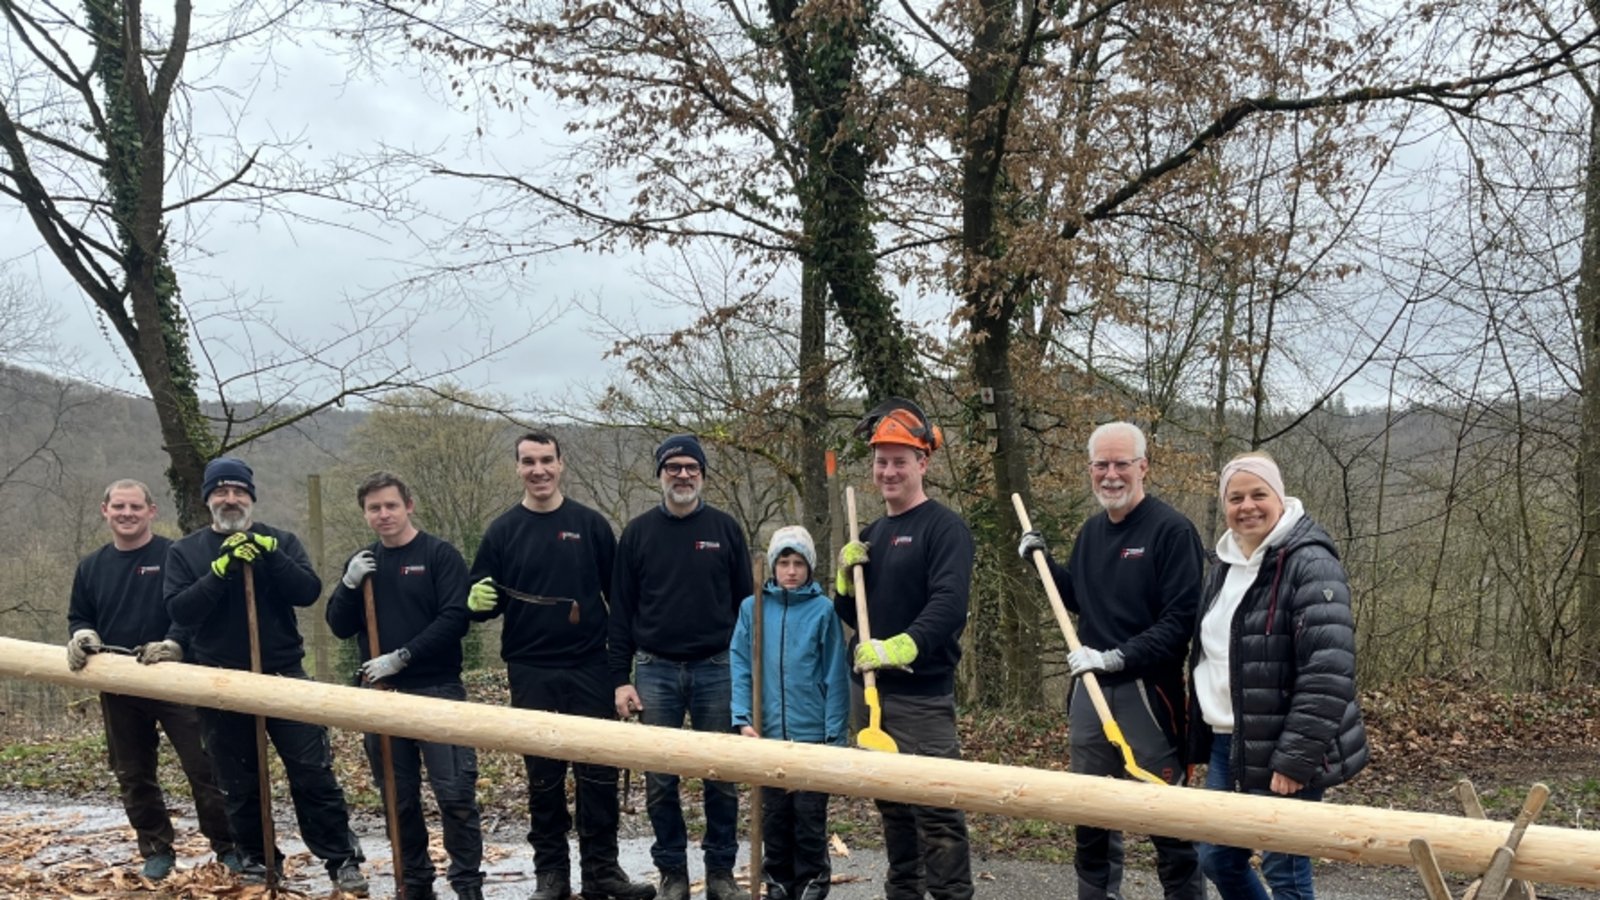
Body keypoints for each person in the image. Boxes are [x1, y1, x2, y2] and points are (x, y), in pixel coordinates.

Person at [1017, 421, 1204, 900]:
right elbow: (1081, 600)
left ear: (1143, 467)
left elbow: (1180, 620)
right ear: (1090, 469)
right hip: (1090, 693)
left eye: (1122, 463)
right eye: (1101, 465)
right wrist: (1044, 568)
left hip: (1148, 695)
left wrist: (1118, 657)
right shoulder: (1091, 533)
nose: (1111, 474)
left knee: (1169, 822)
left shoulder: (1172, 531)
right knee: (1092, 815)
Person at [164, 457, 368, 895]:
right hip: (221, 682)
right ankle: (258, 859)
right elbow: (180, 610)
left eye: (239, 491)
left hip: (283, 674)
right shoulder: (186, 553)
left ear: (252, 497)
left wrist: (271, 558)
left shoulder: (281, 541)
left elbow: (307, 592)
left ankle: (341, 859)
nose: (231, 499)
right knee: (239, 782)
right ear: (207, 499)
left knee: (313, 773)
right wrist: (220, 572)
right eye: (221, 492)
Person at [467, 432, 656, 900]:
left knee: (598, 774)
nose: (539, 470)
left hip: (590, 666)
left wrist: (619, 674)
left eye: (546, 460)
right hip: (529, 669)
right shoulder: (501, 531)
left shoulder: (590, 526)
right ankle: (551, 875)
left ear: (561, 463)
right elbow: (481, 600)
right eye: (529, 462)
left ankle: (602, 873)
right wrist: (474, 601)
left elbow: (620, 605)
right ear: (517, 468)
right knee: (543, 777)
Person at [1190, 452, 1368, 900]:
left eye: (1258, 494)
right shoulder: (1222, 568)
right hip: (1226, 742)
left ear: (1279, 496)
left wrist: (1294, 760)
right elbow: (1210, 656)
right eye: (1235, 498)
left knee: (1284, 868)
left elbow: (1329, 671)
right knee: (1217, 857)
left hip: (1285, 746)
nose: (1246, 506)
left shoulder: (1309, 563)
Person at [833, 398, 974, 900]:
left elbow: (948, 606)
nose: (888, 471)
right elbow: (850, 618)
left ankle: (952, 895)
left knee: (936, 810)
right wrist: (845, 584)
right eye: (881, 461)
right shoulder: (871, 533)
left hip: (922, 698)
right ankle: (903, 893)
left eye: (899, 460)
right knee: (892, 809)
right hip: (869, 694)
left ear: (923, 463)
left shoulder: (945, 529)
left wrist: (900, 647)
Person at [66, 478, 238, 882]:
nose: (127, 514)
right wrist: (81, 635)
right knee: (133, 772)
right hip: (118, 682)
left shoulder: (173, 555)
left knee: (205, 767)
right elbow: (80, 615)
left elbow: (190, 609)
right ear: (104, 510)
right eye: (119, 507)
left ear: (151, 511)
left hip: (175, 678)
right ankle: (156, 849)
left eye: (135, 507)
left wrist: (175, 644)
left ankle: (229, 847)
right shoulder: (91, 566)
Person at [325, 471, 485, 900]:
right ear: (365, 514)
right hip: (382, 699)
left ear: (408, 506)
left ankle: (468, 886)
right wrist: (348, 584)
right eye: (374, 508)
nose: (384, 514)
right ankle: (414, 884)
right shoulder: (364, 564)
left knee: (455, 795)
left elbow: (455, 619)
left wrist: (401, 656)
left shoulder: (439, 555)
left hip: (438, 691)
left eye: (391, 505)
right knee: (400, 799)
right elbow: (339, 626)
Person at [610, 434, 752, 900]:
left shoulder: (727, 530)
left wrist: (745, 676)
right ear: (660, 475)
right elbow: (622, 613)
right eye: (674, 467)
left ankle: (721, 873)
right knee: (659, 780)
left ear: (703, 474)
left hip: (717, 669)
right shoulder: (637, 534)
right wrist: (620, 679)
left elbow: (745, 609)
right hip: (655, 670)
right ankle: (672, 872)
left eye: (692, 467)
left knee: (722, 776)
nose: (684, 474)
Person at [730, 526, 850, 900]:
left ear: (810, 568)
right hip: (766, 735)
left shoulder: (822, 611)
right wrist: (742, 717)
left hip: (811, 734)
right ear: (773, 566)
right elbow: (740, 663)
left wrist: (835, 734)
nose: (791, 570)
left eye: (799, 563)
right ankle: (778, 883)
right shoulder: (753, 608)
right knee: (775, 820)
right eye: (784, 562)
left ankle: (812, 883)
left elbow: (834, 673)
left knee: (809, 820)